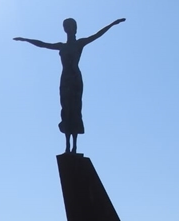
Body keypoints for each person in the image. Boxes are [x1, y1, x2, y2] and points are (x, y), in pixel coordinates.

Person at [14, 17, 125, 154]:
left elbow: (97, 35)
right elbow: (43, 44)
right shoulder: (62, 46)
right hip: (65, 79)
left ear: (75, 28)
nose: (68, 29)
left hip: (75, 79)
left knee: (75, 110)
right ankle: (67, 146)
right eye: (66, 26)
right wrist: (26, 40)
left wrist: (112, 24)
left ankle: (74, 146)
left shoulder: (80, 43)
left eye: (70, 26)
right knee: (66, 111)